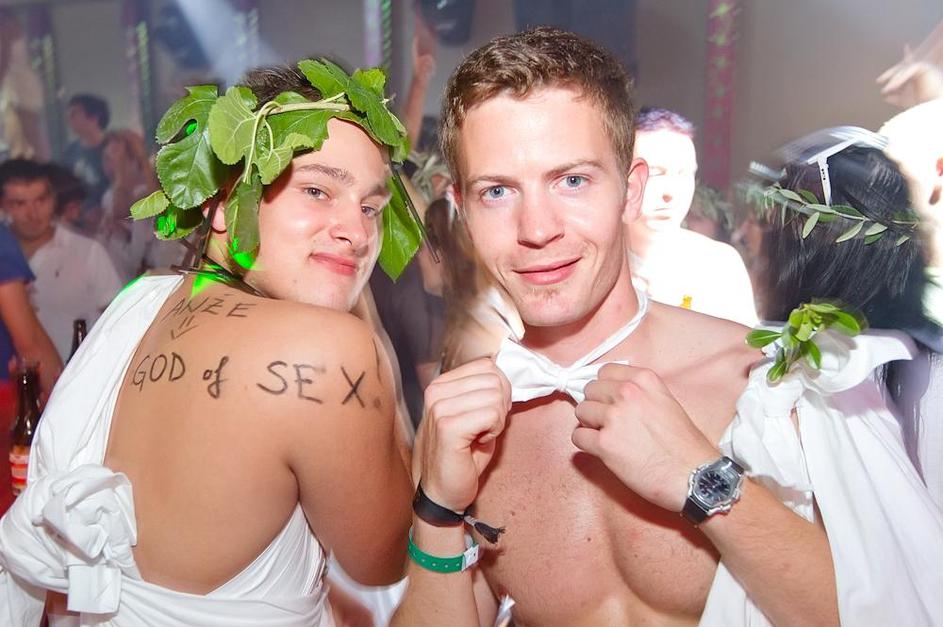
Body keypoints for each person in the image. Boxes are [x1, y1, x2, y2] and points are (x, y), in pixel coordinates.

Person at [393, 27, 943, 626]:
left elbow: (903, 613)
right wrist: (437, 511)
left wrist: (705, 480)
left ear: (630, 192)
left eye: (572, 180)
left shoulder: (778, 387)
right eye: (497, 191)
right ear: (463, 211)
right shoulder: (466, 423)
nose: (537, 228)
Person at [0, 60, 413, 625]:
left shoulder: (143, 297)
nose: (359, 233)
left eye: (370, 207)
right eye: (318, 190)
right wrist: (372, 337)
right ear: (222, 204)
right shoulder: (329, 351)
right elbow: (385, 561)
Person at [625, 107, 756, 325]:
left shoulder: (720, 266)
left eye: (684, 174)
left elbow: (746, 344)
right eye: (656, 173)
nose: (670, 192)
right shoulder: (597, 264)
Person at [0, 159, 123, 361]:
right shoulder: (5, 256)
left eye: (41, 200)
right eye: (20, 204)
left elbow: (120, 320)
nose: (33, 213)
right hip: (16, 376)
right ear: (3, 206)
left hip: (81, 373)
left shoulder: (87, 252)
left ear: (53, 200)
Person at [99, 129, 187, 281]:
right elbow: (120, 212)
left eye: (116, 155)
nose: (110, 163)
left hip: (168, 269)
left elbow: (155, 202)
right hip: (129, 274)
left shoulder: (151, 186)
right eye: (107, 157)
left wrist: (140, 156)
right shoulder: (110, 195)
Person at [61, 94, 110, 230]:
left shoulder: (113, 147)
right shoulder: (70, 152)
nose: (69, 119)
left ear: (94, 117)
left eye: (74, 114)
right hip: (77, 222)